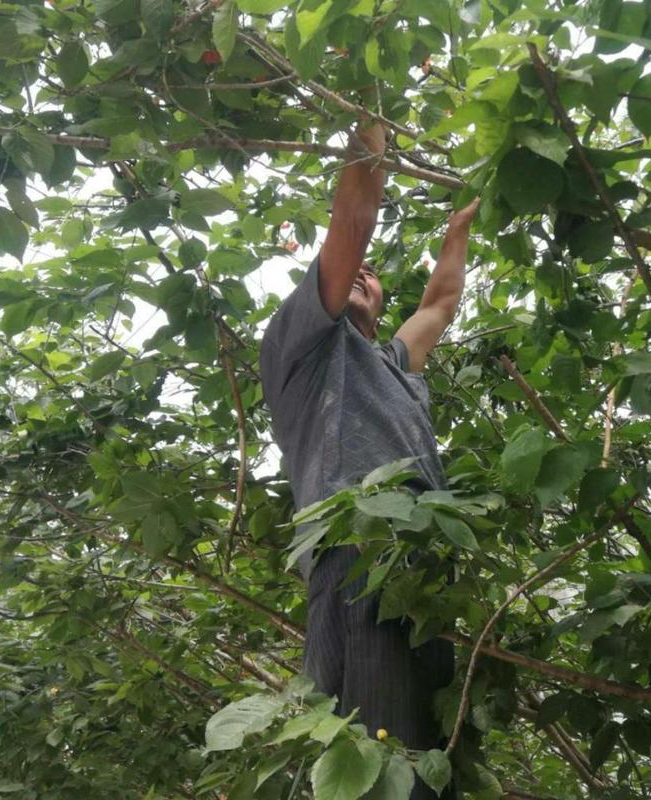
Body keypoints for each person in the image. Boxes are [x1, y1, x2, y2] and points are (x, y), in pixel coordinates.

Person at [258, 118, 478, 796]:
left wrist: (464, 220)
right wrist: (371, 116)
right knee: (373, 749)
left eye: (373, 278)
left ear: (381, 305)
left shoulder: (394, 362)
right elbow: (352, 218)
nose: (362, 276)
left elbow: (441, 301)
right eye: (351, 271)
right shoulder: (302, 348)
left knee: (428, 753)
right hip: (357, 549)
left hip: (422, 565)